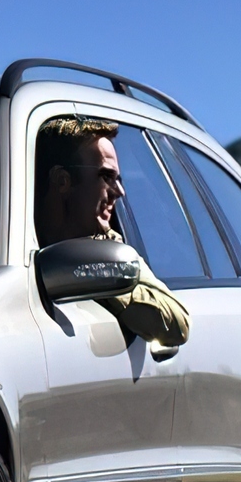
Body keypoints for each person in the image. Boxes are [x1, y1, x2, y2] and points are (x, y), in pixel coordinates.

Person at [33, 116, 190, 349]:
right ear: (62, 181)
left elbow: (177, 324)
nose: (120, 192)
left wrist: (95, 273)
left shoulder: (109, 250)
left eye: (118, 179)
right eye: (107, 177)